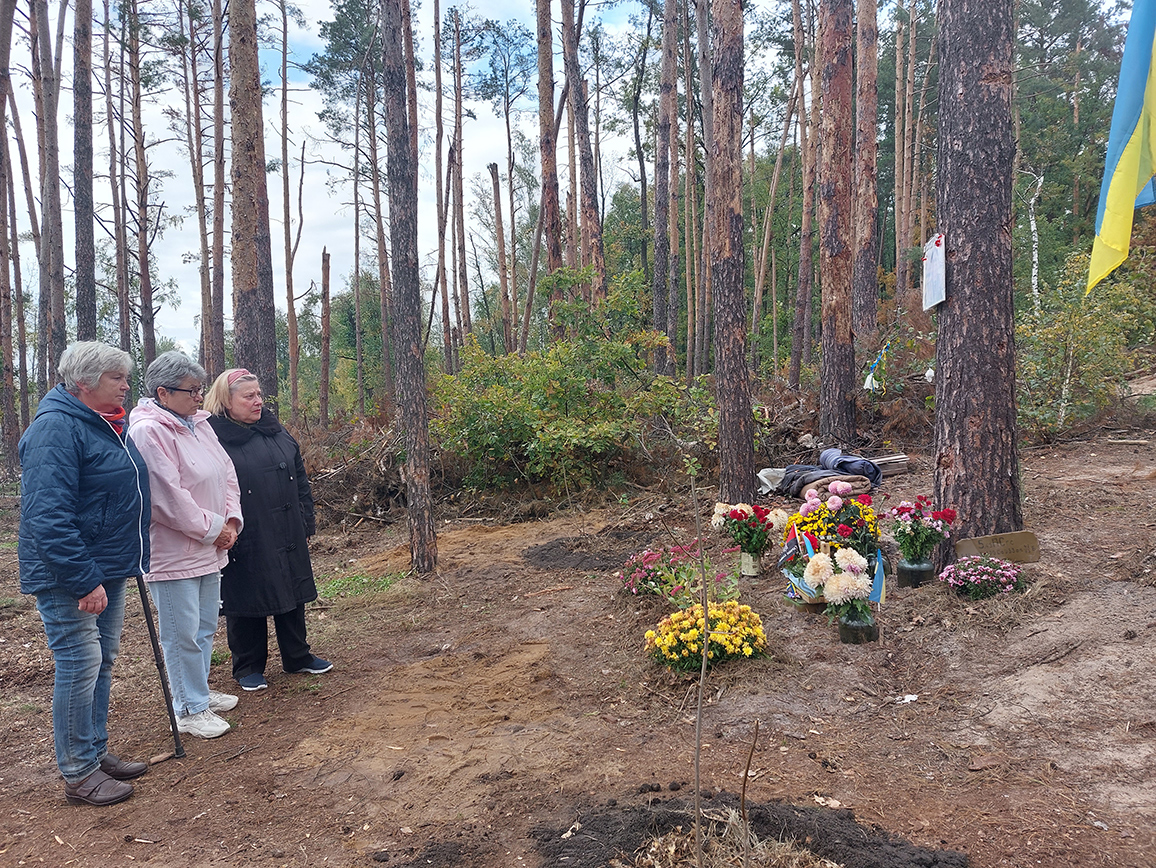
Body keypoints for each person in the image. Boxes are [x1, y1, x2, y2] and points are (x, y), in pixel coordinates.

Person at [19, 342, 151, 807]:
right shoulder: (55, 429)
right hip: (69, 575)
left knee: (102, 659)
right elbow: (48, 517)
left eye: (125, 376)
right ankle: (78, 771)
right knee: (79, 663)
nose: (126, 385)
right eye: (117, 377)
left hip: (106, 566)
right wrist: (83, 578)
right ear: (84, 383)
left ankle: (94, 752)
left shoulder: (106, 423)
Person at [128, 351, 244, 739]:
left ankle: (200, 692)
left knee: (205, 626)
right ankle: (188, 709)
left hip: (210, 546)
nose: (199, 397)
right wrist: (215, 529)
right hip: (173, 552)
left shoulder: (199, 424)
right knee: (182, 634)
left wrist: (231, 520)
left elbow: (226, 472)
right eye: (191, 391)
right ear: (163, 393)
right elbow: (167, 498)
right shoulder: (148, 432)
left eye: (200, 389)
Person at [203, 369, 331, 691]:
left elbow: (300, 478)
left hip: (287, 526)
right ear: (226, 401)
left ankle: (297, 656)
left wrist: (305, 521)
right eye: (249, 396)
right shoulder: (214, 437)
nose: (258, 401)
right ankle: (248, 666)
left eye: (259, 394)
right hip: (246, 530)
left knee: (292, 588)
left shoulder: (275, 429)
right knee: (248, 595)